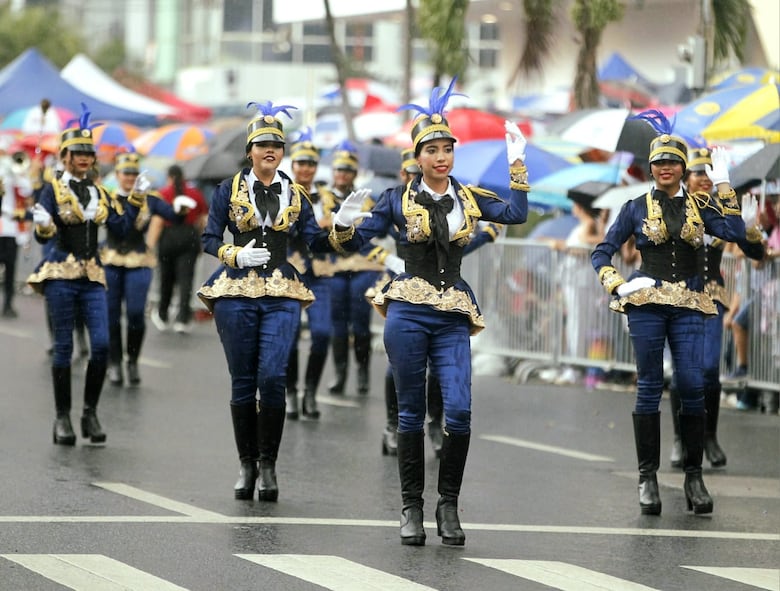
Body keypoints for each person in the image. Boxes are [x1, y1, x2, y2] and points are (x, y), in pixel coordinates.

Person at [328, 79, 530, 546]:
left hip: (453, 311)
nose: (441, 157)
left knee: (458, 412)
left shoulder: (469, 197)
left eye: (447, 149)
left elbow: (517, 213)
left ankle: (449, 505)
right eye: (431, 150)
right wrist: (342, 224)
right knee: (411, 415)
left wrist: (516, 161)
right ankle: (411, 508)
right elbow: (353, 243)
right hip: (407, 311)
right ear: (417, 157)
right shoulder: (395, 200)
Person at [590, 111, 760, 516]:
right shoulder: (634, 207)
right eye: (659, 163)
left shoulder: (702, 206)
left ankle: (694, 477)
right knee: (650, 385)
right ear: (650, 168)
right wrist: (617, 282)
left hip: (690, 304)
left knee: (692, 383)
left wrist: (723, 186)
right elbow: (601, 251)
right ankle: (647, 478)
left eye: (673, 162)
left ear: (683, 168)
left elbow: (736, 233)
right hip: (646, 303)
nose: (665, 168)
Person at [197, 100, 342, 502]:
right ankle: (246, 463)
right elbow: (208, 238)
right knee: (243, 380)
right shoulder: (228, 189)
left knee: (273, 376)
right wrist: (234, 254)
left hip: (281, 290)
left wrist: (344, 227)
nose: (270, 150)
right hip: (235, 291)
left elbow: (314, 240)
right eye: (262, 144)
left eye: (277, 144)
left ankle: (269, 464)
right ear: (250, 151)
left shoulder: (295, 193)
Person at [27, 104, 143, 445]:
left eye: (88, 152)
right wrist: (45, 225)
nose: (84, 157)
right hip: (62, 274)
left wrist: (134, 199)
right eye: (77, 152)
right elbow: (41, 234)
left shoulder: (99, 191)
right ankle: (62, 417)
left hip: (93, 277)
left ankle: (89, 412)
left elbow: (120, 228)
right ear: (64, 156)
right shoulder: (53, 189)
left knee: (102, 346)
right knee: (63, 347)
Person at [379, 148, 502, 458]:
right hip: (405, 284)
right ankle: (393, 424)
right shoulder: (398, 201)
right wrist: (385, 258)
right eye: (408, 173)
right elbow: (368, 236)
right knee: (399, 367)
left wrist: (485, 235)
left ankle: (436, 422)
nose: (412, 178)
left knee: (440, 370)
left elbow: (450, 250)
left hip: (444, 293)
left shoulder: (447, 200)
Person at [666, 147, 765, 468]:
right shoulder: (672, 207)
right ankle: (681, 439)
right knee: (683, 372)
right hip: (679, 297)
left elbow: (756, 254)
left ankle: (709, 436)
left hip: (712, 297)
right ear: (686, 176)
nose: (706, 179)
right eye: (699, 173)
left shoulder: (723, 210)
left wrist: (750, 229)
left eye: (711, 174)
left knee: (709, 370)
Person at [101, 150, 195, 386]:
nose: (130, 177)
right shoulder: (108, 198)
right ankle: (114, 362)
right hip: (112, 259)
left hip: (139, 260)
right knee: (111, 314)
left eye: (134, 173)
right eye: (126, 173)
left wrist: (181, 210)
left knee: (135, 313)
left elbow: (172, 215)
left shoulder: (150, 198)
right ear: (117, 174)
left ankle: (132, 360)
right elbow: (118, 228)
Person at [321, 140, 386, 396]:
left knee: (360, 324)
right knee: (337, 323)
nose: (342, 175)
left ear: (354, 174)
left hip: (361, 266)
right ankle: (340, 373)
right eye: (338, 170)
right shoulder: (322, 197)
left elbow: (373, 230)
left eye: (347, 170)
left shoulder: (365, 200)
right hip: (334, 266)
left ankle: (362, 372)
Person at [285, 128, 331, 420]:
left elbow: (342, 233)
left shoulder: (326, 197)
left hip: (320, 272)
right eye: (301, 163)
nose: (305, 169)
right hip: (290, 270)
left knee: (323, 333)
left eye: (310, 164)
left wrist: (338, 223)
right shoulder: (283, 192)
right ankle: (290, 391)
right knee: (288, 336)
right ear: (293, 166)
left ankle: (311, 390)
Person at [151, 164, 208, 334]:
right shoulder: (195, 194)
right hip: (188, 237)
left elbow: (157, 222)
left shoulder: (163, 194)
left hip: (168, 237)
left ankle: (163, 314)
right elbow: (203, 219)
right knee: (186, 280)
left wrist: (150, 246)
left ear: (169, 177)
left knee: (166, 278)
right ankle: (182, 318)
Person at [0, 139, 34, 318]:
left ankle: (8, 305)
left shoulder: (14, 175)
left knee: (11, 268)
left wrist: (17, 175)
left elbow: (27, 192)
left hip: (11, 227)